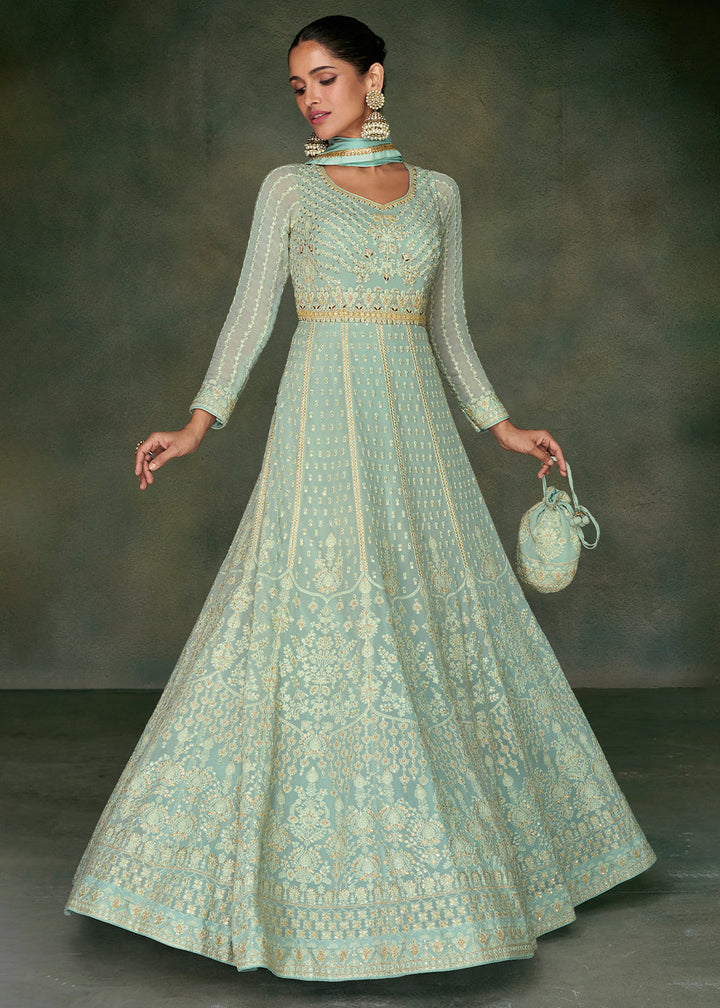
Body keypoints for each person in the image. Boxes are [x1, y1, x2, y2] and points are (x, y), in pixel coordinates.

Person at [66, 15, 655, 981]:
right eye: (297, 85)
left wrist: (501, 426)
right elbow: (250, 315)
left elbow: (449, 328)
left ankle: (475, 857)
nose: (310, 98)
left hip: (414, 423)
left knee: (432, 607)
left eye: (326, 78)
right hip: (323, 418)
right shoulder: (288, 189)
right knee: (328, 605)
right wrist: (198, 424)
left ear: (373, 80)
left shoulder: (440, 194)